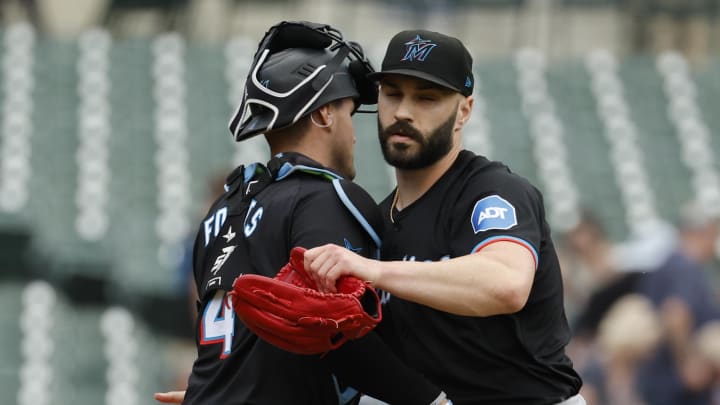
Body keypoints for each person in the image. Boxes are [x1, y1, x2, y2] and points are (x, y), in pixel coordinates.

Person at [156, 21, 449, 405]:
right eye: (348, 111)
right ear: (325, 114)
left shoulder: (222, 212)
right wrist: (435, 401)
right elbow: (334, 335)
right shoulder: (325, 197)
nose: (355, 131)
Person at [304, 29, 584, 404]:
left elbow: (506, 283)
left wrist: (374, 271)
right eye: (392, 93)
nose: (403, 111)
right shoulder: (376, 221)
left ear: (464, 111)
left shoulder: (492, 191)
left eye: (427, 98)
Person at [635, 200, 720, 405]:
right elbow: (675, 314)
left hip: (658, 377)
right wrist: (687, 363)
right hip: (674, 382)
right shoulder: (685, 266)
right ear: (703, 231)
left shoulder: (669, 263)